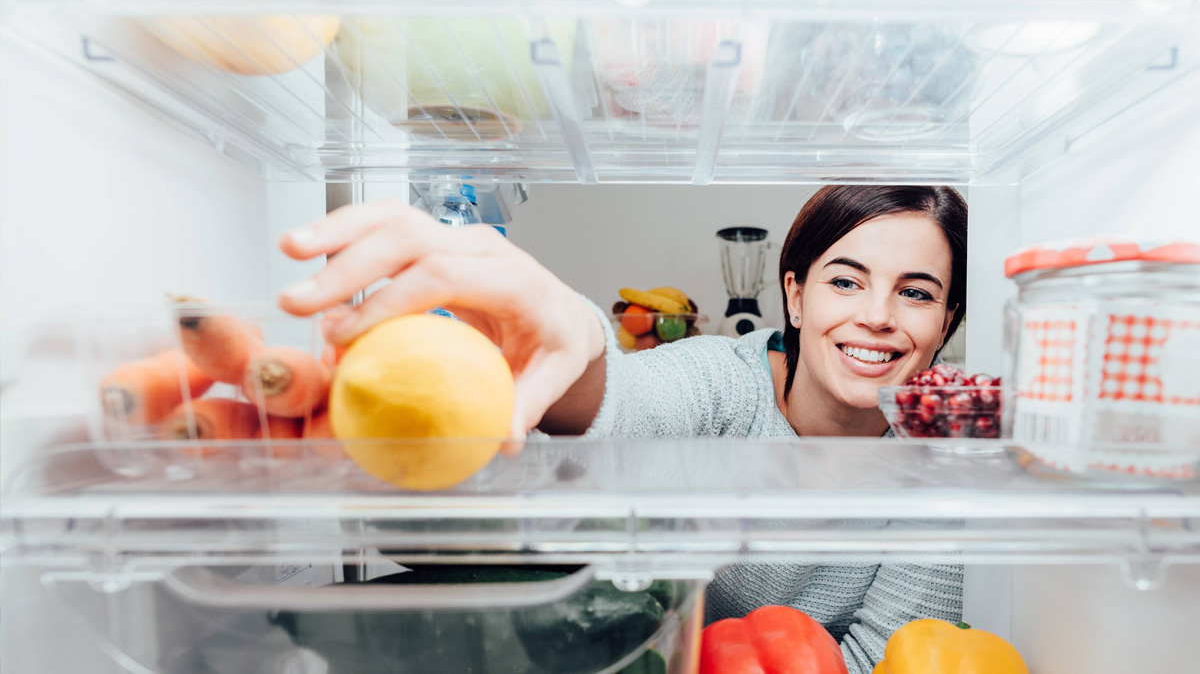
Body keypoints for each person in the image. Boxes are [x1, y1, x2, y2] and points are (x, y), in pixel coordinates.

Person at [278, 185, 967, 673]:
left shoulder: (941, 459)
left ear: (947, 323)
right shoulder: (725, 381)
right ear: (795, 294)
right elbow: (626, 405)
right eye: (845, 281)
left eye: (916, 292)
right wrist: (577, 343)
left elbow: (894, 658)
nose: (878, 316)